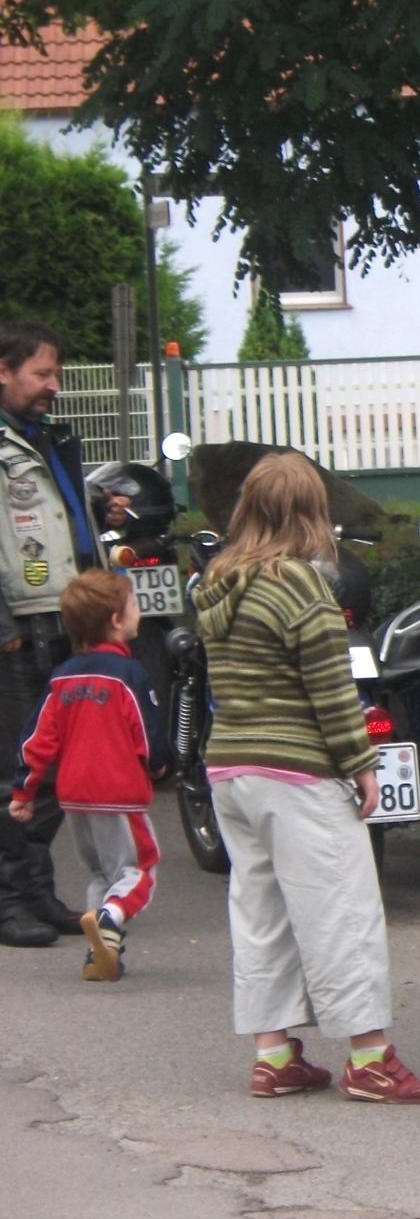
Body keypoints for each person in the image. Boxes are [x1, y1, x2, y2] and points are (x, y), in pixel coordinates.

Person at [194, 449, 420, 1104]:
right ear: (312, 512)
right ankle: (370, 1059)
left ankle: (274, 1056)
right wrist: (361, 765)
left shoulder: (218, 581)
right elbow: (331, 691)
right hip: (295, 770)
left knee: (262, 911)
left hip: (231, 770)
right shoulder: (302, 586)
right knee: (343, 910)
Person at [0, 322, 114, 948]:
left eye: (56, 374)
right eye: (42, 373)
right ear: (3, 370)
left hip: (59, 618)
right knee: (16, 770)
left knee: (48, 768)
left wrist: (95, 510)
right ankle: (9, 901)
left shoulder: (42, 438)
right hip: (18, 626)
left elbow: (45, 523)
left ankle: (35, 893)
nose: (53, 385)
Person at [9, 569, 165, 982]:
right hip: (120, 791)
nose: (138, 611)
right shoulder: (128, 674)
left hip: (74, 794)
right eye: (134, 605)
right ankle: (111, 917)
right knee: (139, 870)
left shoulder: (62, 676)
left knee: (100, 872)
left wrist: (24, 790)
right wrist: (159, 764)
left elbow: (37, 737)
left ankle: (100, 953)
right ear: (116, 620)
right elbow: (146, 731)